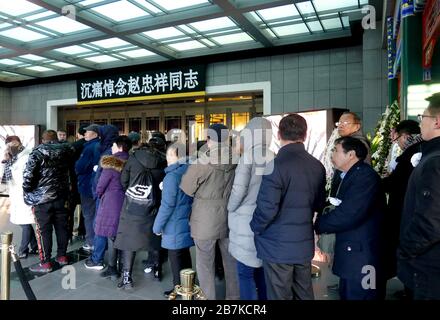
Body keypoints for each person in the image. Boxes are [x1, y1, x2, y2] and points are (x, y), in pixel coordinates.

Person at [250, 114, 326, 300]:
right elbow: (319, 204)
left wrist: (255, 228)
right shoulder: (317, 166)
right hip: (303, 242)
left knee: (279, 294)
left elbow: (267, 209)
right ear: (305, 135)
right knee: (304, 292)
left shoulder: (275, 166)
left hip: (277, 245)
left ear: (278, 134)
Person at [315, 136, 387, 300]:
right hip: (353, 255)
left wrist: (317, 224)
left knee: (362, 295)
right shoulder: (349, 174)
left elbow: (349, 214)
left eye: (336, 150)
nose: (332, 154)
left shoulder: (364, 177)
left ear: (351, 154)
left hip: (363, 257)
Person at [180, 123, 239, 300]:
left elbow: (187, 188)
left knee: (205, 264)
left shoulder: (202, 162)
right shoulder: (237, 159)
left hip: (205, 218)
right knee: (231, 262)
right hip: (230, 215)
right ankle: (234, 300)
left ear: (208, 139)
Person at [397, 93, 440, 300]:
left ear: (437, 121)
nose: (420, 122)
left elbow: (430, 222)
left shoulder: (435, 162)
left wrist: (405, 250)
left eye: (422, 117)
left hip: (430, 266)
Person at [227, 117, 274, 300]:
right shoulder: (272, 155)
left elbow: (238, 190)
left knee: (245, 273)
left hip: (245, 223)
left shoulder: (247, 156)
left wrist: (230, 208)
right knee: (262, 272)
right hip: (267, 221)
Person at [114, 142, 166, 289]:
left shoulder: (133, 159)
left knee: (128, 241)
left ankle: (127, 278)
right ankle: (157, 271)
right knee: (155, 238)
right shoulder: (161, 160)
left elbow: (123, 180)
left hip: (132, 206)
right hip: (153, 205)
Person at [23, 130, 73, 273]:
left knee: (44, 230)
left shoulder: (37, 153)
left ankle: (45, 262)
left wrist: (28, 191)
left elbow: (28, 176)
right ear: (56, 139)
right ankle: (62, 256)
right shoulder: (66, 151)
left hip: (42, 199)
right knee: (62, 227)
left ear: (43, 140)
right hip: (61, 196)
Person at [382, 120, 423, 281]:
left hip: (404, 210)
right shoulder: (422, 150)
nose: (397, 142)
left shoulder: (411, 156)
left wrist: (379, 182)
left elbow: (396, 183)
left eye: (397, 138)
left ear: (405, 136)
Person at [84, 136, 131, 275]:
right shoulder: (132, 161)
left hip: (111, 201)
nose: (112, 148)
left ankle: (110, 267)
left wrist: (98, 194)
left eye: (114, 145)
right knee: (121, 234)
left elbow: (101, 184)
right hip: (127, 201)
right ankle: (123, 266)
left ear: (119, 147)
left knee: (109, 233)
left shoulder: (112, 163)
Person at [153, 142, 194, 299]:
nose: (168, 158)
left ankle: (178, 289)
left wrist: (157, 226)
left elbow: (167, 205)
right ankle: (189, 286)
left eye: (171, 155)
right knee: (184, 254)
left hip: (174, 223)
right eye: (168, 154)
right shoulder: (189, 169)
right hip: (186, 219)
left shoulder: (172, 176)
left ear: (179, 156)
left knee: (175, 258)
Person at [0, 136, 38, 259]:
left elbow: (26, 177)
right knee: (24, 222)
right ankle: (35, 246)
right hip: (16, 195)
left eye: (13, 144)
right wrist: (6, 160)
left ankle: (23, 250)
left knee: (25, 223)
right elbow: (6, 176)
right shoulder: (13, 158)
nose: (11, 147)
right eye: (9, 145)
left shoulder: (26, 156)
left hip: (25, 194)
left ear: (19, 143)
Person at [75, 124, 101, 252]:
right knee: (96, 213)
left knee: (89, 214)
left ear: (95, 134)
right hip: (97, 185)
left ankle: (91, 242)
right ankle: (99, 241)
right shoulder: (100, 145)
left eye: (87, 132)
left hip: (87, 185)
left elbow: (80, 166)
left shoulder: (90, 147)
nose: (84, 134)